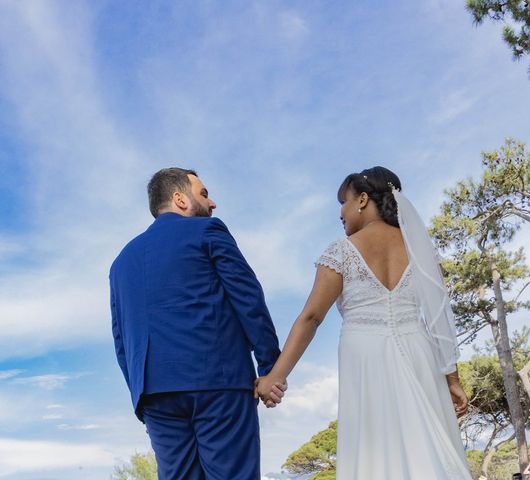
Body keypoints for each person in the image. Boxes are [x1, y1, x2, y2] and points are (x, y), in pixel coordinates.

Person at [255, 166, 472, 479]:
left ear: (363, 200)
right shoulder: (420, 251)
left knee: (377, 451)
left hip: (367, 357)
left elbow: (312, 317)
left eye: (344, 202)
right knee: (425, 449)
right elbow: (438, 319)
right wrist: (452, 380)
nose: (341, 213)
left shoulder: (342, 251)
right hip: (419, 353)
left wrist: (275, 376)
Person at [110, 168, 283, 480]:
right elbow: (248, 299)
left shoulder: (121, 262)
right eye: (203, 194)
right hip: (218, 381)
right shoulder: (208, 231)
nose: (212, 203)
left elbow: (121, 342)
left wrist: (142, 394)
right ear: (180, 199)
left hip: (155, 393)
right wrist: (271, 367)